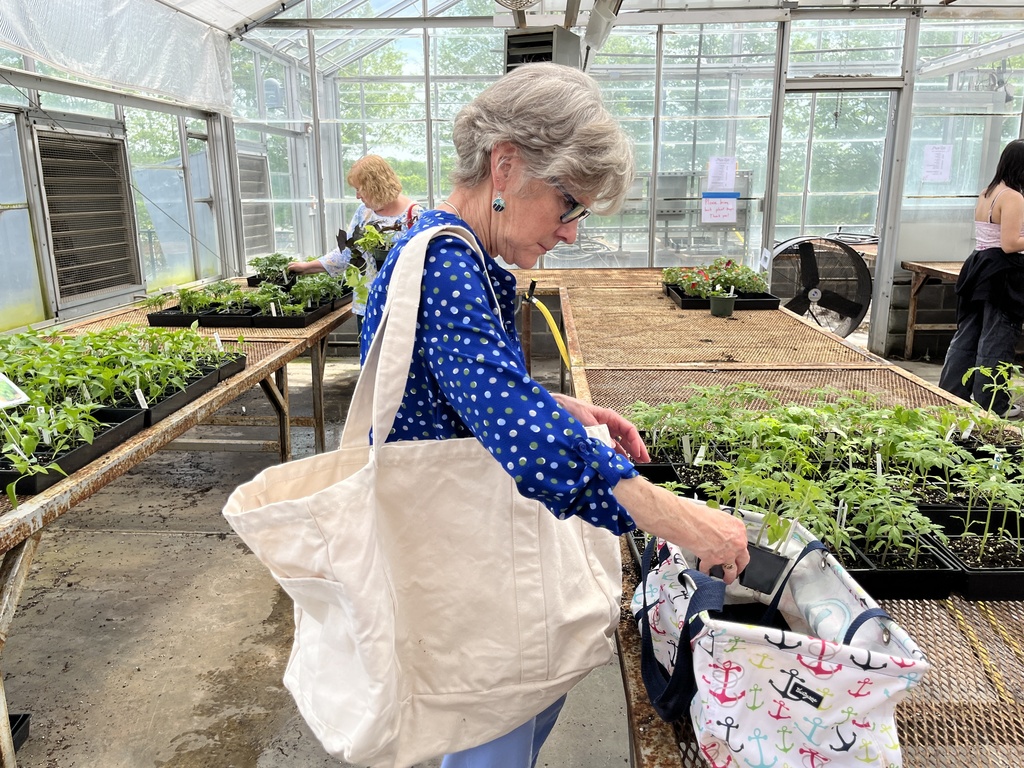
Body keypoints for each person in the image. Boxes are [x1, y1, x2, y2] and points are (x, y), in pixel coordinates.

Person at [360, 63, 750, 768]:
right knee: (493, 729)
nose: (570, 233)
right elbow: (521, 435)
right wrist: (680, 518)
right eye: (567, 204)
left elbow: (466, 388)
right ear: (505, 166)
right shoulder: (449, 263)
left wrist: (565, 405)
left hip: (461, 544)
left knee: (510, 713)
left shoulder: (456, 252)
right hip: (462, 563)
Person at [938, 139, 1024, 419]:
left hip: (979, 266)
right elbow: (1011, 243)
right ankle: (993, 406)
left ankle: (950, 394)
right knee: (997, 338)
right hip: (1002, 272)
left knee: (968, 335)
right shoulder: (1013, 196)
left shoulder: (989, 192)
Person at [288, 154, 423, 318]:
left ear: (375, 186)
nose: (357, 196)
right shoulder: (364, 214)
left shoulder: (414, 215)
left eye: (359, 189)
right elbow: (347, 253)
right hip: (366, 305)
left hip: (400, 308)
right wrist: (307, 267)